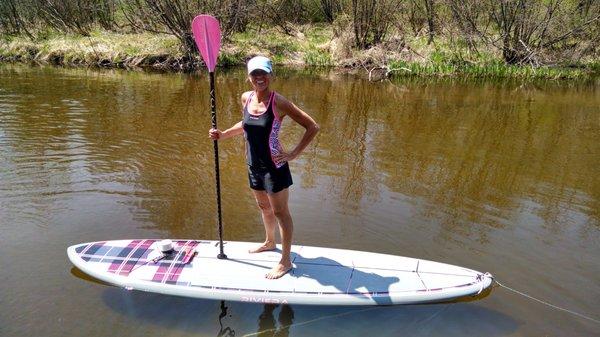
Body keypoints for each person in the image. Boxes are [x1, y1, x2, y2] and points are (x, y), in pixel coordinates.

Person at [208, 56, 319, 279]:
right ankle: (269, 242)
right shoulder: (245, 98)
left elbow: (312, 126)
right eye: (255, 73)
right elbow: (247, 126)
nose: (260, 77)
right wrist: (223, 134)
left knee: (280, 212)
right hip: (253, 165)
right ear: (248, 76)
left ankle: (285, 260)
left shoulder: (279, 102)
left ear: (270, 75)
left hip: (274, 167)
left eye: (264, 73)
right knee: (263, 208)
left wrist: (293, 154)